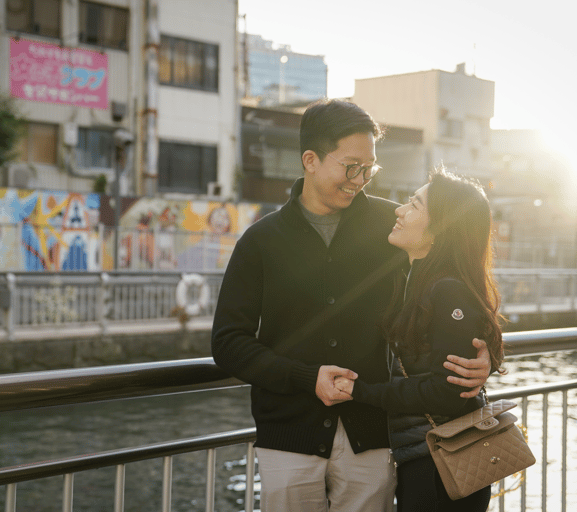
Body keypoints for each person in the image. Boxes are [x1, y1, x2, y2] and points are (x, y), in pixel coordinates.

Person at [211, 99, 492, 512]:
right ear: (310, 159)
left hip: (373, 436)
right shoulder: (260, 241)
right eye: (351, 166)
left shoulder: (393, 228)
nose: (361, 179)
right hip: (289, 437)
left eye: (369, 168)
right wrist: (308, 378)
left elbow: (462, 283)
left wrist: (487, 355)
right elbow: (228, 343)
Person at [334, 168, 505, 511]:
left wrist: (360, 391)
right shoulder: (420, 282)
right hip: (428, 457)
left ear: (439, 229)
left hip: (443, 464)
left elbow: (447, 392)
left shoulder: (447, 291)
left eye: (413, 205)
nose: (399, 210)